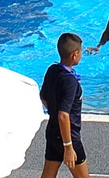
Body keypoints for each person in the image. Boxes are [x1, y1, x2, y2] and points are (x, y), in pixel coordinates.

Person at [39, 32, 89, 178]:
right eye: (80, 52)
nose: (81, 56)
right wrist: (68, 147)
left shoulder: (52, 70)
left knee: (48, 175)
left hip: (53, 133)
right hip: (69, 138)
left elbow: (43, 97)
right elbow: (63, 115)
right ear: (74, 55)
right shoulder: (70, 82)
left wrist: (53, 111)